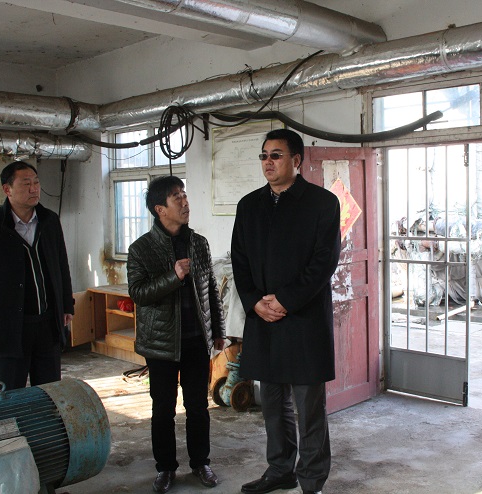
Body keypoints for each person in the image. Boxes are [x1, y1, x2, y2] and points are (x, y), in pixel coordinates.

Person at [231, 128, 341, 494]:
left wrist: (286, 300)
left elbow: (324, 262)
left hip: (303, 318)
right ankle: (279, 470)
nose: (268, 162)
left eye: (275, 155)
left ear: (296, 160)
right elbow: (240, 260)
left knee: (309, 408)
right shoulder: (249, 205)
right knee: (273, 404)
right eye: (264, 156)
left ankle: (312, 481)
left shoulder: (322, 203)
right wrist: (254, 302)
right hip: (264, 319)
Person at [127, 176, 226, 493]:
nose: (185, 202)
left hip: (196, 340)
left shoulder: (198, 243)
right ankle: (166, 468)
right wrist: (173, 276)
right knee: (163, 409)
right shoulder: (141, 249)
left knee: (198, 406)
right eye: (176, 197)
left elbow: (210, 288)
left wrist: (218, 330)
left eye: (184, 194)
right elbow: (139, 293)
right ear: (160, 209)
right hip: (160, 345)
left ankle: (201, 463)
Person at [0, 161, 74, 391]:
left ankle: (45, 418)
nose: (34, 189)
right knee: (10, 393)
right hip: (9, 328)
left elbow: (61, 266)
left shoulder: (49, 221)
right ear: (7, 189)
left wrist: (66, 305)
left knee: (49, 392)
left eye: (36, 183)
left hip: (47, 324)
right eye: (26, 184)